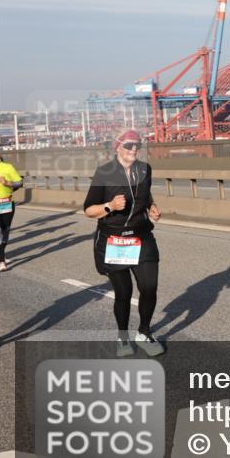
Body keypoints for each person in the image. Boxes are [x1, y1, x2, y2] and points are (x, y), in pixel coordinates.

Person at [82, 130, 164, 356]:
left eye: (137, 145)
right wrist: (109, 206)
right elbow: (89, 210)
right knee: (124, 292)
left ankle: (144, 332)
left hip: (141, 236)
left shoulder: (145, 169)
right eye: (129, 146)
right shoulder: (104, 172)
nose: (134, 150)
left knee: (149, 287)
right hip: (113, 239)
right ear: (117, 147)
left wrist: (152, 207)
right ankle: (122, 337)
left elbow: (146, 195)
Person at [0, 145, 24, 272]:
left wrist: (7, 183)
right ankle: (1, 261)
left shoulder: (7, 167)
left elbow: (19, 183)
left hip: (7, 203)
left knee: (5, 231)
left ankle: (0, 253)